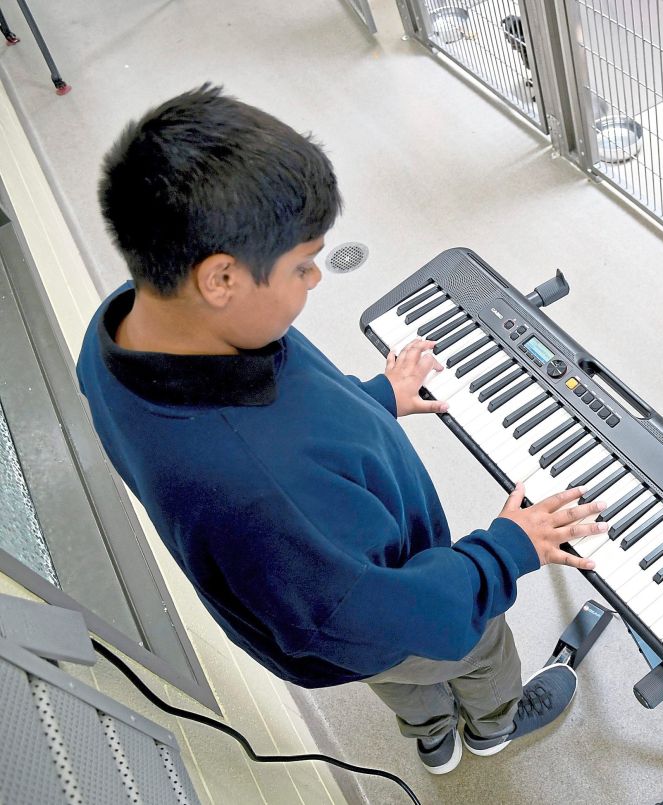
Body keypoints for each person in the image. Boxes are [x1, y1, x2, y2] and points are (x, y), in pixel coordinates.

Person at [76, 84, 609, 775]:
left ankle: (433, 738)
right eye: (302, 264)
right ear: (221, 279)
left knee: (400, 681)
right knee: (471, 647)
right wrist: (507, 549)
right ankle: (492, 726)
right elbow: (377, 613)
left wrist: (374, 397)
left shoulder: (121, 327)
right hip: (386, 605)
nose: (317, 278)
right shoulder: (259, 489)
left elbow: (288, 427)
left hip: (337, 611)